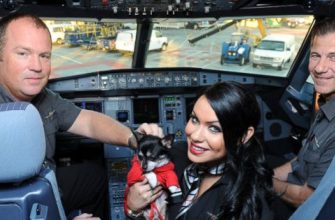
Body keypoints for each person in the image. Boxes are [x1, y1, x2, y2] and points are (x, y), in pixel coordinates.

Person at [0, 12, 163, 219]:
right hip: (14, 203)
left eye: (44, 56)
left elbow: (88, 121)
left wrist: (134, 139)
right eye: (23, 53)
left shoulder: (44, 99)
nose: (37, 66)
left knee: (94, 176)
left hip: (45, 181)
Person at [126, 81, 274, 220]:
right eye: (194, 119)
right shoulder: (174, 155)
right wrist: (133, 209)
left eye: (214, 128)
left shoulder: (247, 200)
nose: (195, 136)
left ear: (243, 136)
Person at [272, 17, 335, 219]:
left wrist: (265, 183)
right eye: (315, 55)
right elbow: (300, 160)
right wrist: (268, 176)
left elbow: (307, 198)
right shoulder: (326, 104)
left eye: (333, 57)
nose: (319, 67)